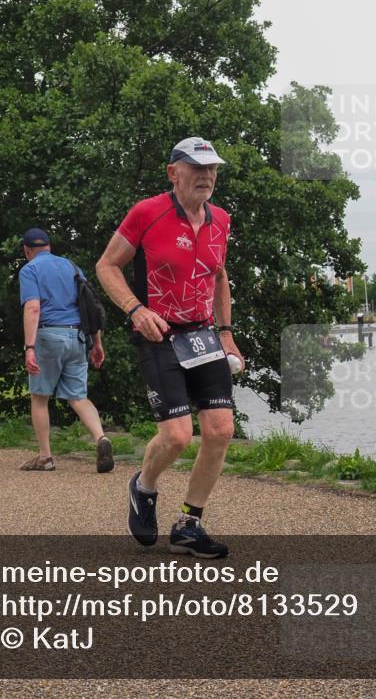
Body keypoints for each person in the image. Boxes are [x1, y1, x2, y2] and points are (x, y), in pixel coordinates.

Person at [96, 137, 243, 559]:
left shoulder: (221, 220)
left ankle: (189, 524)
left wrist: (227, 332)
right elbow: (107, 266)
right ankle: (143, 486)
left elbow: (217, 277)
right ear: (172, 172)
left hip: (203, 335)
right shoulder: (147, 212)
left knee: (220, 431)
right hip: (159, 334)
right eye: (197, 167)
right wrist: (135, 309)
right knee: (177, 436)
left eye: (212, 168)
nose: (207, 175)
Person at [19, 228, 114, 473]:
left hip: (48, 335)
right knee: (78, 397)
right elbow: (90, 305)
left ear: (27, 250)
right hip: (78, 336)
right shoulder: (72, 267)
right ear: (49, 246)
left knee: (39, 398)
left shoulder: (30, 269)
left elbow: (32, 308)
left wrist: (30, 347)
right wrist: (97, 342)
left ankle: (45, 457)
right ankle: (102, 438)